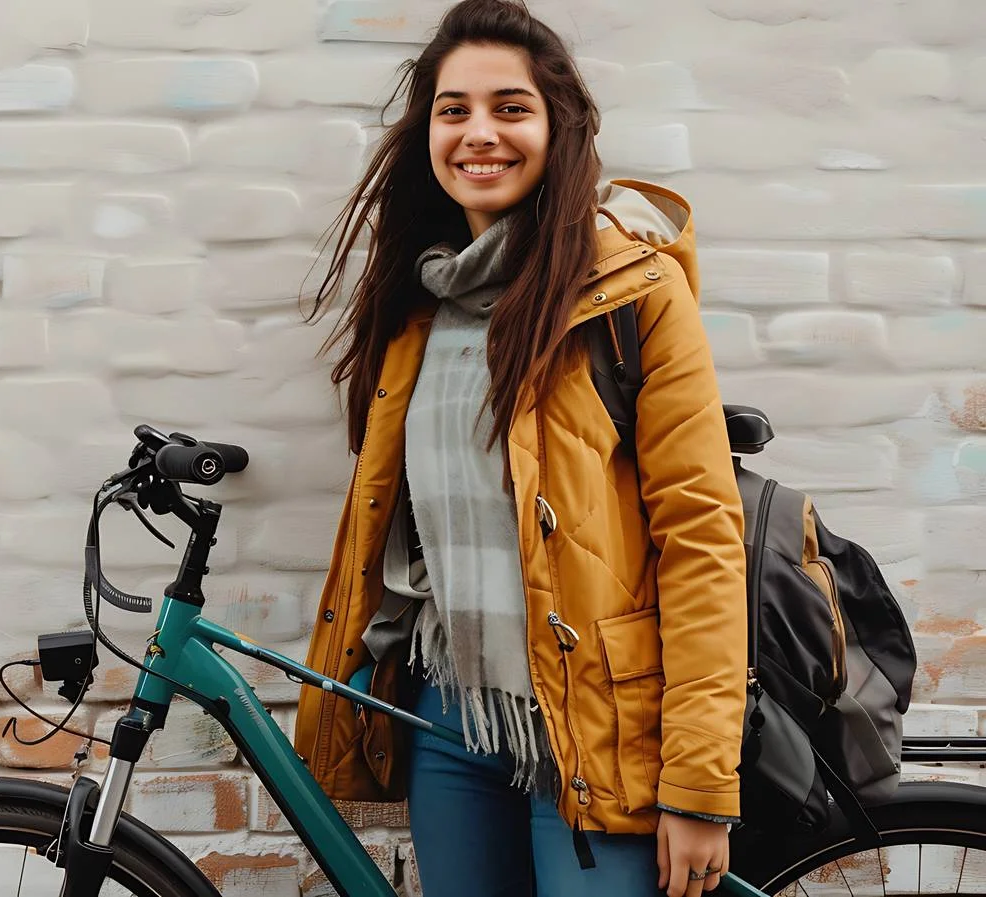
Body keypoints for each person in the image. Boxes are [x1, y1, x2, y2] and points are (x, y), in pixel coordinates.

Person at [290, 2, 749, 895]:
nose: (479, 133)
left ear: (556, 126)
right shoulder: (416, 306)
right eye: (453, 110)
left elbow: (699, 541)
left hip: (600, 724)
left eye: (510, 107)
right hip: (449, 715)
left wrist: (699, 786)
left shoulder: (631, 293)